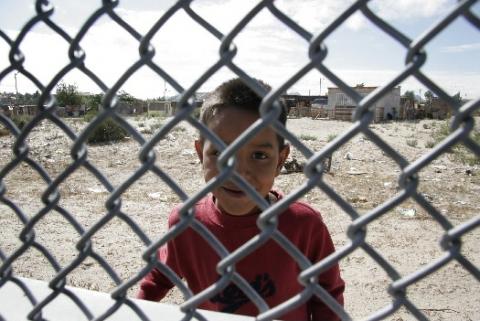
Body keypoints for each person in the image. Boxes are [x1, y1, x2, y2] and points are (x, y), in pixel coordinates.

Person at [137, 78, 345, 321]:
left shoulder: (304, 225)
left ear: (280, 159)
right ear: (200, 153)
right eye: (220, 152)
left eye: (259, 155)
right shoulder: (186, 223)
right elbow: (159, 278)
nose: (237, 171)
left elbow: (328, 297)